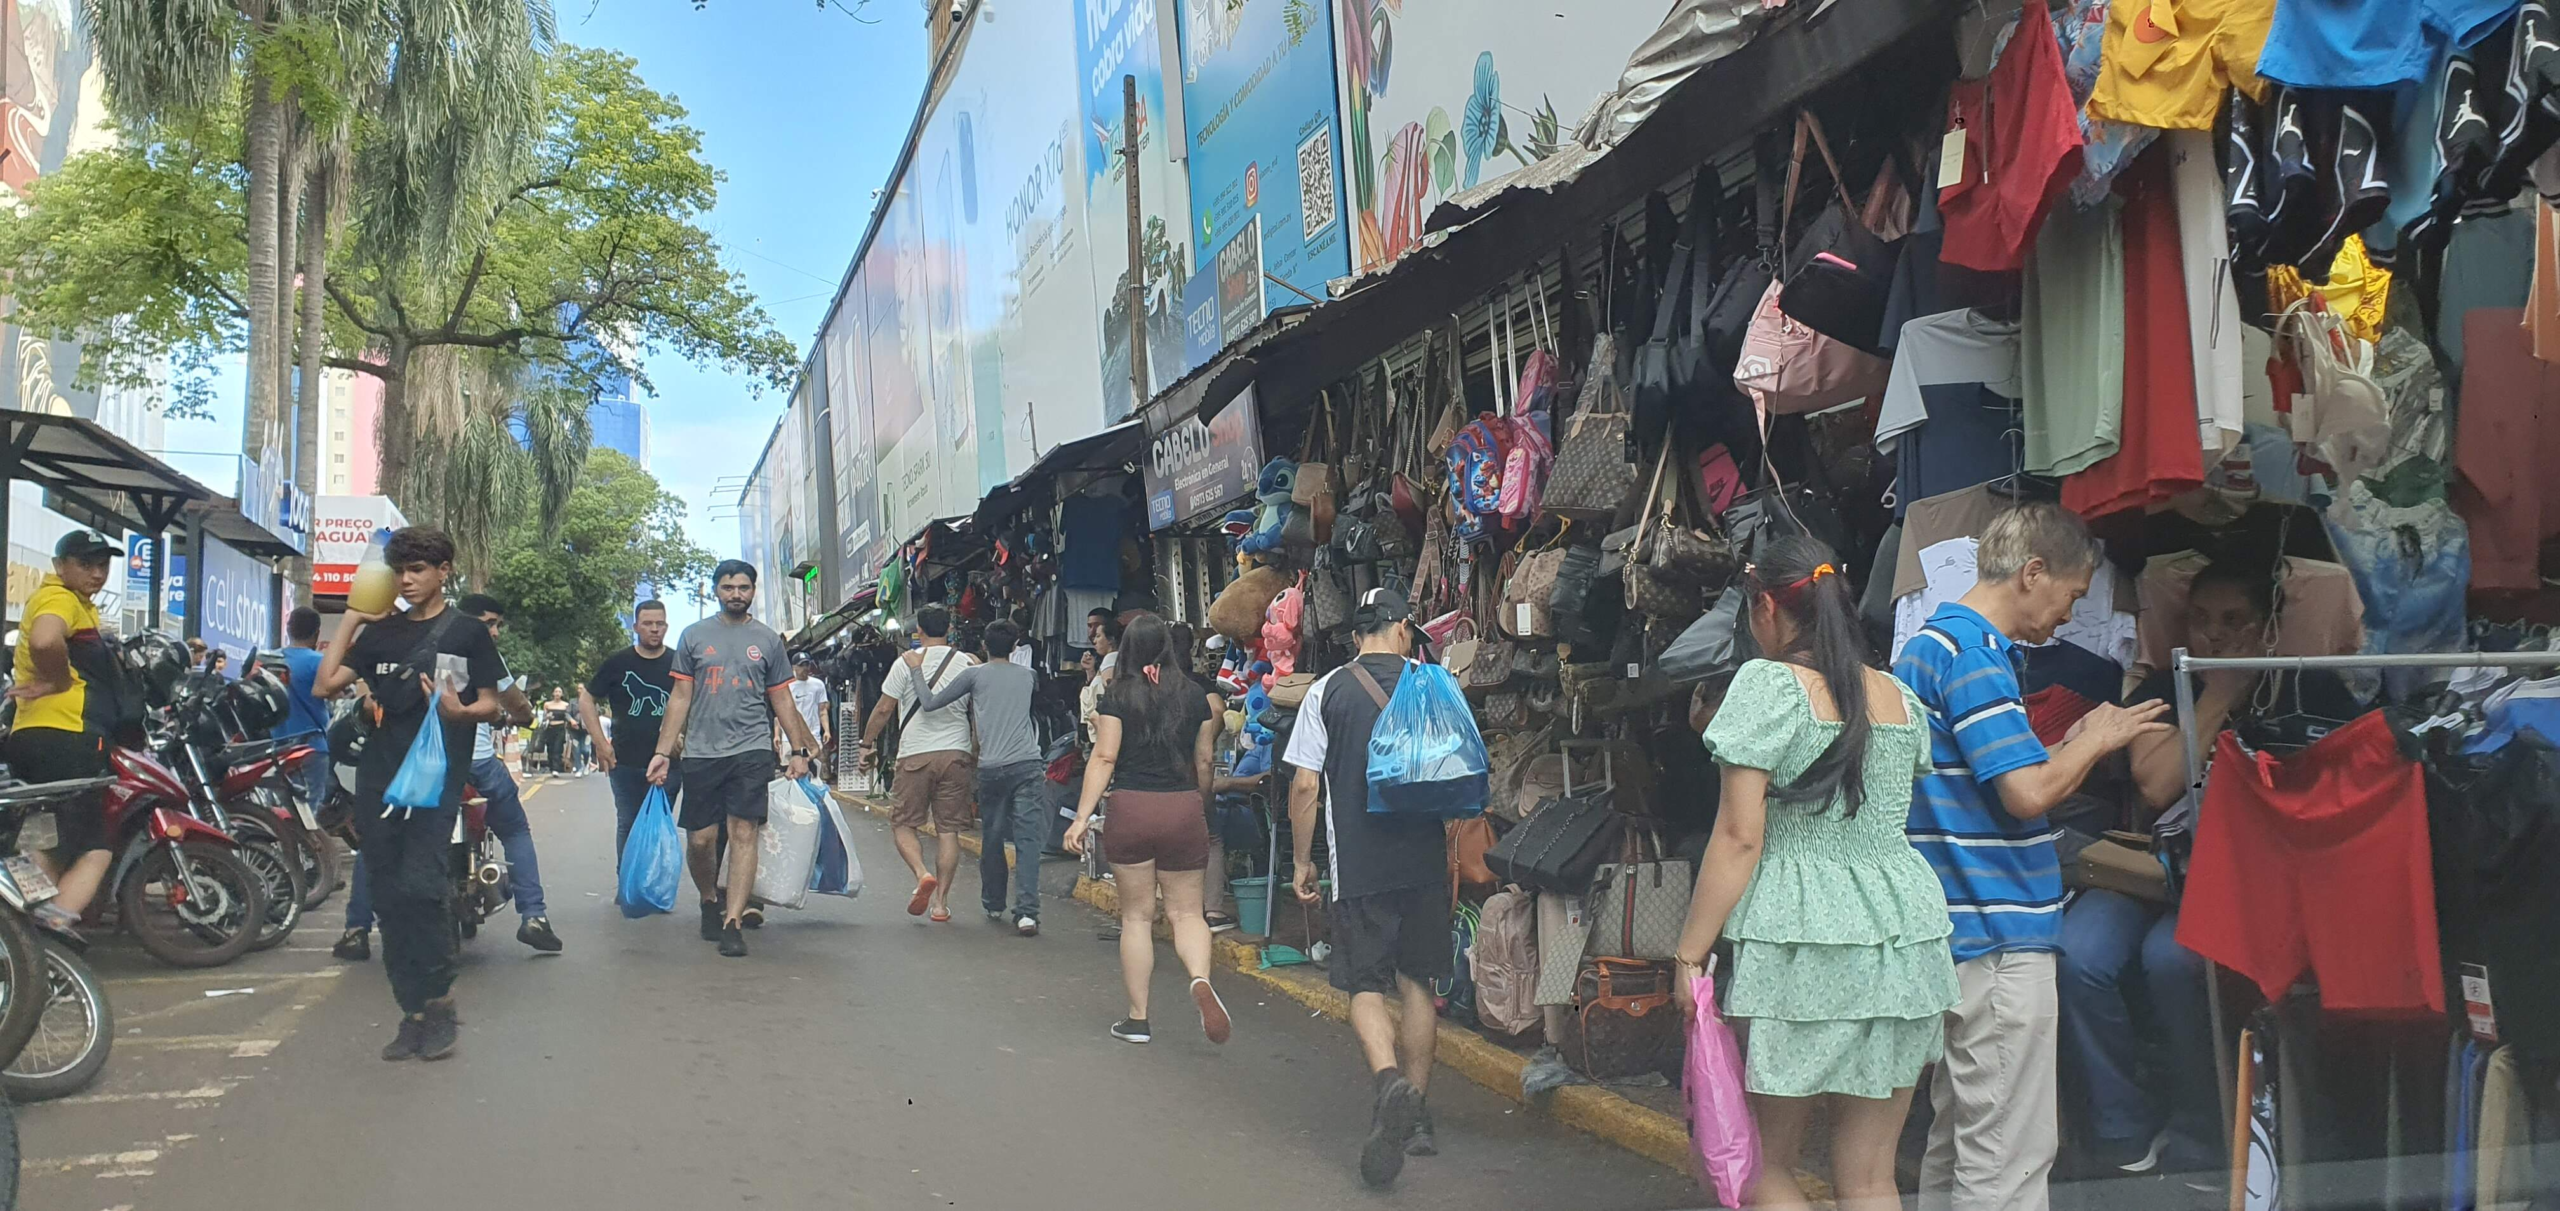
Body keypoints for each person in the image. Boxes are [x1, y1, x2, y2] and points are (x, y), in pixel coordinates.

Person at [1892, 503, 2174, 1211]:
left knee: (1961, 1140)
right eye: (2070, 596)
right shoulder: (1975, 654)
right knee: (2008, 1159)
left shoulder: (1930, 647)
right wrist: (2096, 740)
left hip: (1957, 927)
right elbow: (2026, 793)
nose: (2069, 617)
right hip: (1997, 931)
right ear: (2033, 572)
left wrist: (2069, 743)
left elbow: (1984, 777)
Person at [1668, 537, 1961, 1211]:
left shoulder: (1767, 687)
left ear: (1765, 606)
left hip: (1799, 940)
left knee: (1763, 1168)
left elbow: (1740, 836)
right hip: (1901, 940)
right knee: (1871, 1179)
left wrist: (1689, 954)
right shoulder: (1895, 695)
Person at [2060, 561, 2361, 1177]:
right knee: (2078, 953)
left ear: (2268, 627)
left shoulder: (2306, 688)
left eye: (2233, 621)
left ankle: (2203, 1128)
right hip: (2150, 871)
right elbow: (2156, 782)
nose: (2214, 635)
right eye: (2200, 620)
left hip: (2246, 880)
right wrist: (2218, 694)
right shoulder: (2164, 686)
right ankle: (2122, 1127)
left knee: (2173, 960)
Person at [312, 527, 509, 1061]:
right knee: (387, 893)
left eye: (418, 569)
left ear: (444, 571)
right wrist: (353, 618)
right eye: (400, 571)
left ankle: (439, 1001)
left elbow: (491, 703)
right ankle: (411, 1011)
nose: (406, 580)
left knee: (422, 887)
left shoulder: (467, 633)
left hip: (435, 776)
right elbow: (324, 685)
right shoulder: (381, 633)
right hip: (380, 777)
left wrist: (460, 712)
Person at [1281, 588, 1449, 1188]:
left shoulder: (1327, 690)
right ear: (1403, 628)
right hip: (1425, 858)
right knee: (1418, 983)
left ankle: (1388, 1084)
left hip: (1359, 862)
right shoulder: (1433, 683)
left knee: (1364, 983)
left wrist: (1302, 861)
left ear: (1356, 636)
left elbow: (1306, 786)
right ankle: (1418, 1116)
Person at [1062, 612, 1229, 1048]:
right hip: (1182, 807)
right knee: (1187, 913)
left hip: (1132, 808)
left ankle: (1138, 1020)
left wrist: (1081, 818)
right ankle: (1199, 979)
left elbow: (1104, 758)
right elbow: (1204, 760)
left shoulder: (1117, 695)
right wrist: (1198, 804)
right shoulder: (1194, 695)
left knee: (1136, 917)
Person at [647, 560, 818, 958]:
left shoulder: (768, 641)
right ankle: (709, 899)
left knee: (744, 833)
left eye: (743, 587)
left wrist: (798, 751)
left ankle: (733, 921)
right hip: (702, 752)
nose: (736, 594)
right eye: (728, 587)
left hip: (752, 749)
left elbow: (781, 698)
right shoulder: (694, 636)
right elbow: (680, 698)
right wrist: (662, 752)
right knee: (701, 840)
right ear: (716, 590)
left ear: (753, 591)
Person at [2, 531, 128, 936]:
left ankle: (20, 932)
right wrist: (58, 681)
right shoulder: (60, 599)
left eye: (103, 565)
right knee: (96, 847)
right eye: (85, 564)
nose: (97, 573)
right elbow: (44, 640)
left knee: (50, 841)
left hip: (34, 735)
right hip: (68, 736)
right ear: (60, 566)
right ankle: (50, 930)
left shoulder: (72, 602)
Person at [910, 620, 1045, 935]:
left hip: (991, 767)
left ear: (984, 645)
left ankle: (994, 902)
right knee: (1027, 841)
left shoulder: (974, 675)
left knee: (993, 837)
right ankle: (1027, 913)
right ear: (1015, 646)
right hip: (1027, 764)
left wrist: (916, 669)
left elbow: (929, 703)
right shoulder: (1030, 676)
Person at [856, 605, 978, 923]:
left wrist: (866, 744)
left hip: (915, 754)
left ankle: (922, 874)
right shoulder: (967, 662)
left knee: (903, 824)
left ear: (918, 631)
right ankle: (940, 904)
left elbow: (884, 709)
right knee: (948, 831)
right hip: (956, 752)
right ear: (950, 628)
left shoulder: (906, 662)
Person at [581, 600, 681, 858]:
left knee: (658, 825)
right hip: (624, 761)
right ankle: (627, 878)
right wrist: (600, 743)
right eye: (648, 623)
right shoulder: (618, 662)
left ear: (667, 626)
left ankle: (652, 877)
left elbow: (695, 702)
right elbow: (587, 699)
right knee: (628, 822)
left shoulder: (679, 663)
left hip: (669, 762)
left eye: (659, 623)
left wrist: (684, 734)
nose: (654, 629)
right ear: (636, 627)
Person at [274, 607, 335, 839]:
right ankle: (308, 854)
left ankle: (284, 853)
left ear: (288, 629)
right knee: (309, 810)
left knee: (279, 811)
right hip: (311, 746)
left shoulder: (267, 660)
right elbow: (336, 693)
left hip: (275, 748)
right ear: (317, 633)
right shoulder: (320, 662)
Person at [786, 657, 833, 777]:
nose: (805, 668)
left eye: (807, 665)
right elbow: (781, 713)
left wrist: (826, 730)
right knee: (792, 772)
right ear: (794, 667)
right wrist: (777, 734)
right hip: (790, 736)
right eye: (801, 665)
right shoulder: (788, 686)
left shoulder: (818, 685)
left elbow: (822, 710)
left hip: (813, 734)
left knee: (814, 771)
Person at [541, 688, 571, 775]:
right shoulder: (547, 704)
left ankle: (556, 768)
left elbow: (568, 717)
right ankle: (551, 766)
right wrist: (547, 716)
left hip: (560, 727)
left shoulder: (565, 705)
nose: (557, 693)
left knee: (558, 748)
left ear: (562, 694)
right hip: (550, 727)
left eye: (559, 692)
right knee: (550, 748)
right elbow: (543, 717)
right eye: (556, 692)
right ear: (553, 693)